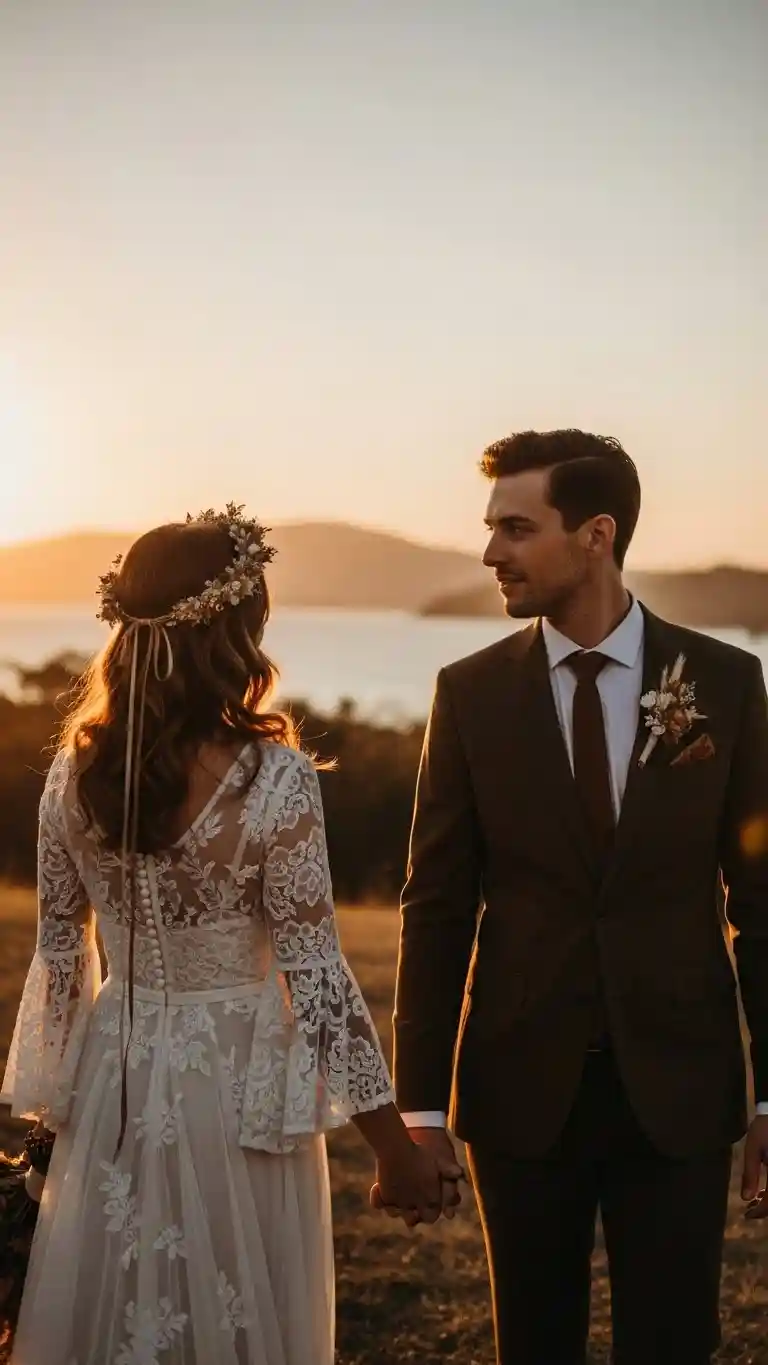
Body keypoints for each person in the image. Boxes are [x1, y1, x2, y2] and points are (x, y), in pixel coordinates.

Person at [1, 504, 460, 1365]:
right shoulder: (275, 779)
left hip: (116, 1078)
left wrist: (57, 1115)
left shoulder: (75, 770)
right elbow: (317, 975)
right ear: (236, 633)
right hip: (237, 1089)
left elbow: (61, 957)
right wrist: (394, 1149)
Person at [387, 432, 768, 1365]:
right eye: (491, 528)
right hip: (520, 1087)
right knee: (535, 1345)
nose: (490, 553)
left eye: (516, 528)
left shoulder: (724, 681)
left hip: (678, 1086)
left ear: (596, 534)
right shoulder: (469, 693)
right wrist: (420, 1111)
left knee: (675, 1343)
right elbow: (435, 906)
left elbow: (760, 901)